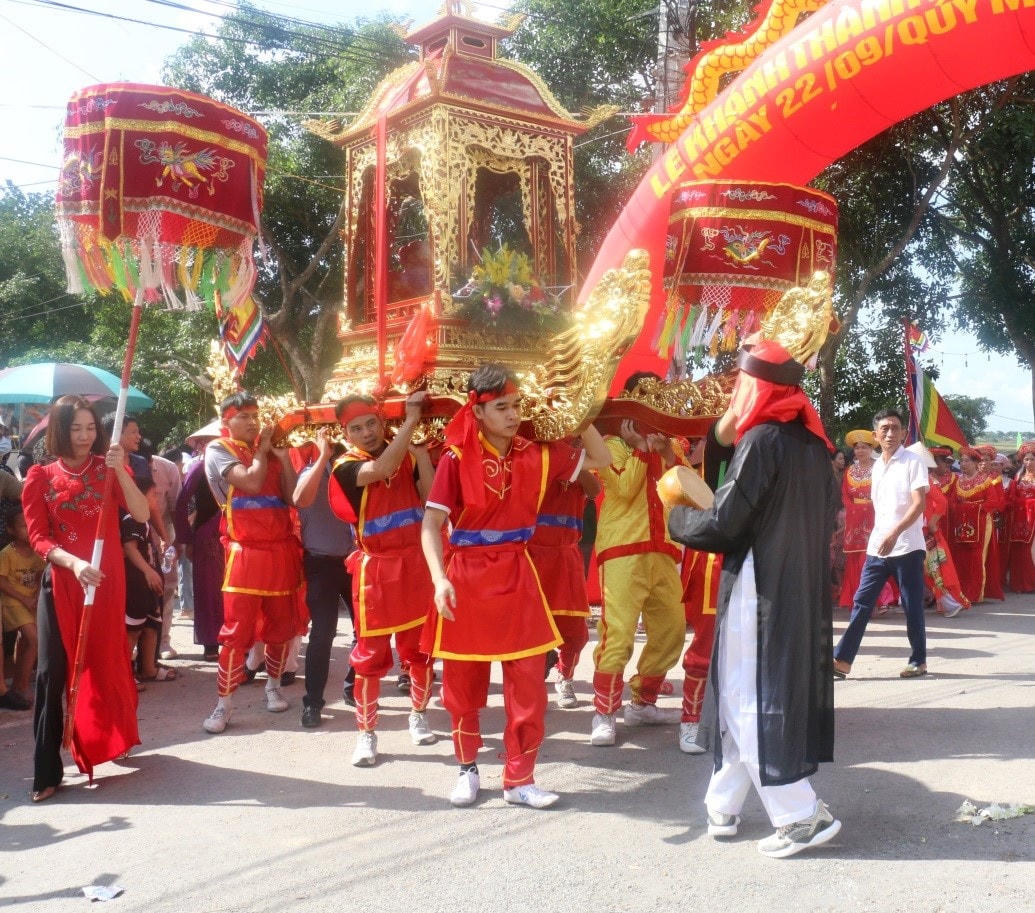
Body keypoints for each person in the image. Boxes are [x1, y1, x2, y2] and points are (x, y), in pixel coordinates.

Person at [668, 336, 840, 859]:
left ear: (755, 387)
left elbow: (726, 524)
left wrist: (676, 516)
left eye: (741, 384)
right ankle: (723, 802)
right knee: (743, 693)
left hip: (759, 588)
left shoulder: (762, 440)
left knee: (749, 696)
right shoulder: (815, 446)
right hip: (798, 587)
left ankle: (799, 813)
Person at [421, 363, 612, 808]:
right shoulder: (455, 457)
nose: (512, 414)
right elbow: (431, 524)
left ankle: (520, 779)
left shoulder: (539, 453)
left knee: (527, 683)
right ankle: (467, 769)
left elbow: (601, 460)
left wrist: (578, 416)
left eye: (516, 405)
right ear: (479, 411)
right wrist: (438, 578)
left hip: (517, 573)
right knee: (463, 683)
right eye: (501, 407)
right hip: (466, 575)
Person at [22, 395, 149, 802]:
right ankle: (46, 771)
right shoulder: (39, 477)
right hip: (62, 584)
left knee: (106, 662)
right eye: (75, 428)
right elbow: (40, 539)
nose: (84, 436)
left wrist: (120, 471)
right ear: (59, 430)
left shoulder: (108, 469)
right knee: (50, 674)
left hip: (105, 585)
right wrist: (73, 564)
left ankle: (110, 738)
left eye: (90, 428)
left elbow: (142, 514)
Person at [328, 392, 437, 765]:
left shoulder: (406, 451)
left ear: (380, 421)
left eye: (371, 423)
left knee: (420, 651)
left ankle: (419, 715)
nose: (366, 433)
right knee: (370, 657)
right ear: (346, 433)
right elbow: (380, 471)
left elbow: (431, 496)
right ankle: (366, 734)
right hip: (375, 570)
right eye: (356, 428)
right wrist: (410, 422)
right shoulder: (344, 465)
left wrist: (422, 452)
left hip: (415, 566)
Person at [589, 372, 688, 749]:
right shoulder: (610, 444)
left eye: (658, 394)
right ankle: (604, 712)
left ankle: (643, 702)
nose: (655, 401)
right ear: (631, 402)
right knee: (618, 635)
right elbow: (626, 488)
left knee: (672, 630)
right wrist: (640, 448)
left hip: (663, 549)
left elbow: (682, 489)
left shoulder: (668, 444)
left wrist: (663, 452)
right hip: (623, 550)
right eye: (646, 395)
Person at [201, 392, 303, 734]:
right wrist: (263, 452)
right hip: (244, 552)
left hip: (280, 550)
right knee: (235, 631)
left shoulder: (268, 451)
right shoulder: (219, 449)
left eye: (255, 415)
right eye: (243, 416)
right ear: (225, 420)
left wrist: (284, 458)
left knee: (281, 626)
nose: (252, 421)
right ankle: (223, 703)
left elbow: (291, 498)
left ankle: (273, 686)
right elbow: (251, 481)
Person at [833, 410, 929, 680]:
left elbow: (918, 504)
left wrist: (895, 534)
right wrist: (880, 537)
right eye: (884, 429)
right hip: (877, 547)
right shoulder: (876, 467)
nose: (890, 433)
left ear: (902, 432)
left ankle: (918, 660)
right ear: (876, 435)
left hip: (907, 546)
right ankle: (842, 660)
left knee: (911, 605)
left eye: (895, 428)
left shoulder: (913, 461)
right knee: (862, 602)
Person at [291, 430, 356, 729]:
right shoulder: (311, 470)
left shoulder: (356, 469)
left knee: (367, 632)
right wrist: (322, 459)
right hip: (321, 564)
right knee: (323, 633)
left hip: (355, 562)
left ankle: (353, 687)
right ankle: (313, 703)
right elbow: (300, 497)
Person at [527, 460, 600, 709]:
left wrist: (573, 461)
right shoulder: (531, 459)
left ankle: (564, 676)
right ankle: (532, 686)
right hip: (531, 556)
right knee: (533, 631)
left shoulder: (576, 463)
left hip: (567, 556)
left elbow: (595, 489)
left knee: (576, 633)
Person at [121, 478, 176, 683]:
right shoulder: (131, 518)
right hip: (136, 581)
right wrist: (148, 571)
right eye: (153, 495)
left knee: (151, 625)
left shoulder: (144, 519)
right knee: (133, 630)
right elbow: (129, 548)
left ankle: (148, 669)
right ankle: (125, 675)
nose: (156, 499)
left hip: (149, 581)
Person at [839, 430, 898, 613]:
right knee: (854, 559)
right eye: (857, 448)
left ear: (871, 449)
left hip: (875, 517)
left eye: (864, 447)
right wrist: (852, 508)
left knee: (873, 558)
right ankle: (856, 599)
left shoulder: (879, 467)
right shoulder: (850, 470)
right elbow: (845, 495)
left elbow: (885, 492)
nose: (860, 451)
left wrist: (872, 507)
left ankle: (878, 601)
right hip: (854, 519)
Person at [173, 448, 223, 661]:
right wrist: (186, 538)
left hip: (241, 530)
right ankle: (211, 642)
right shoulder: (200, 466)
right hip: (210, 532)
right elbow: (182, 502)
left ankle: (243, 642)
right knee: (209, 590)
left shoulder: (246, 460)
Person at [948, 446, 1005, 605]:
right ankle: (962, 591)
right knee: (961, 556)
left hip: (980, 523)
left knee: (976, 557)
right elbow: (952, 502)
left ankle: (975, 593)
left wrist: (973, 507)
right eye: (961, 461)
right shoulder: (958, 481)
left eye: (966, 461)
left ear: (974, 463)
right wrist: (958, 507)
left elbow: (993, 502)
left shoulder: (985, 482)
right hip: (961, 524)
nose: (963, 464)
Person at [0, 509, 43, 708]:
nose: (28, 530)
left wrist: (35, 597)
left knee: (26, 641)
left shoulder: (38, 551)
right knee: (35, 640)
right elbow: (2, 582)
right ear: (10, 530)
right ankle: (23, 686)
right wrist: (24, 599)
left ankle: (18, 684)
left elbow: (42, 575)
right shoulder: (7, 554)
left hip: (31, 602)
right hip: (14, 602)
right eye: (23, 527)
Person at [1006, 443, 1035, 592]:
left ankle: (1030, 583)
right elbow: (1013, 496)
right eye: (1026, 459)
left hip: (1033, 518)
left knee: (1030, 550)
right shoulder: (1019, 476)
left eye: (1031, 459)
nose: (1028, 463)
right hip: (1019, 517)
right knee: (1018, 549)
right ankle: (1018, 583)